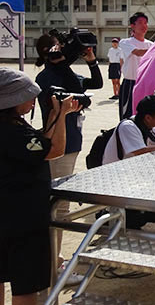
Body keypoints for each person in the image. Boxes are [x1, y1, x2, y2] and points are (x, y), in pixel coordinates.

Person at [0, 68, 80, 305]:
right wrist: (63, 115)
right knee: (25, 285)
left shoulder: (11, 126)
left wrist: (56, 114)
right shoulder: (12, 131)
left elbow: (39, 143)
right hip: (22, 219)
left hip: (6, 215)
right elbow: (54, 150)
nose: (34, 101)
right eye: (29, 96)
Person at [35, 33, 102, 280]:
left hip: (70, 144)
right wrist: (62, 64)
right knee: (58, 208)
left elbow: (96, 84)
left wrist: (91, 60)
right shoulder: (45, 77)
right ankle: (52, 268)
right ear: (45, 53)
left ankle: (54, 261)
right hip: (57, 146)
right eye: (55, 47)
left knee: (58, 207)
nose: (61, 49)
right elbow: (60, 96)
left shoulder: (66, 73)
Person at [103, 95, 155, 227]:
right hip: (115, 179)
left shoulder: (148, 127)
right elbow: (140, 152)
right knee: (143, 217)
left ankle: (129, 217)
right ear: (148, 117)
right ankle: (108, 216)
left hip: (130, 177)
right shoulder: (128, 127)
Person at [119, 12, 154, 119]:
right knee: (128, 116)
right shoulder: (125, 42)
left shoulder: (151, 44)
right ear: (132, 26)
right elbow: (137, 52)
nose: (144, 26)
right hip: (130, 83)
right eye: (140, 23)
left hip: (145, 83)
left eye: (146, 23)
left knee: (145, 116)